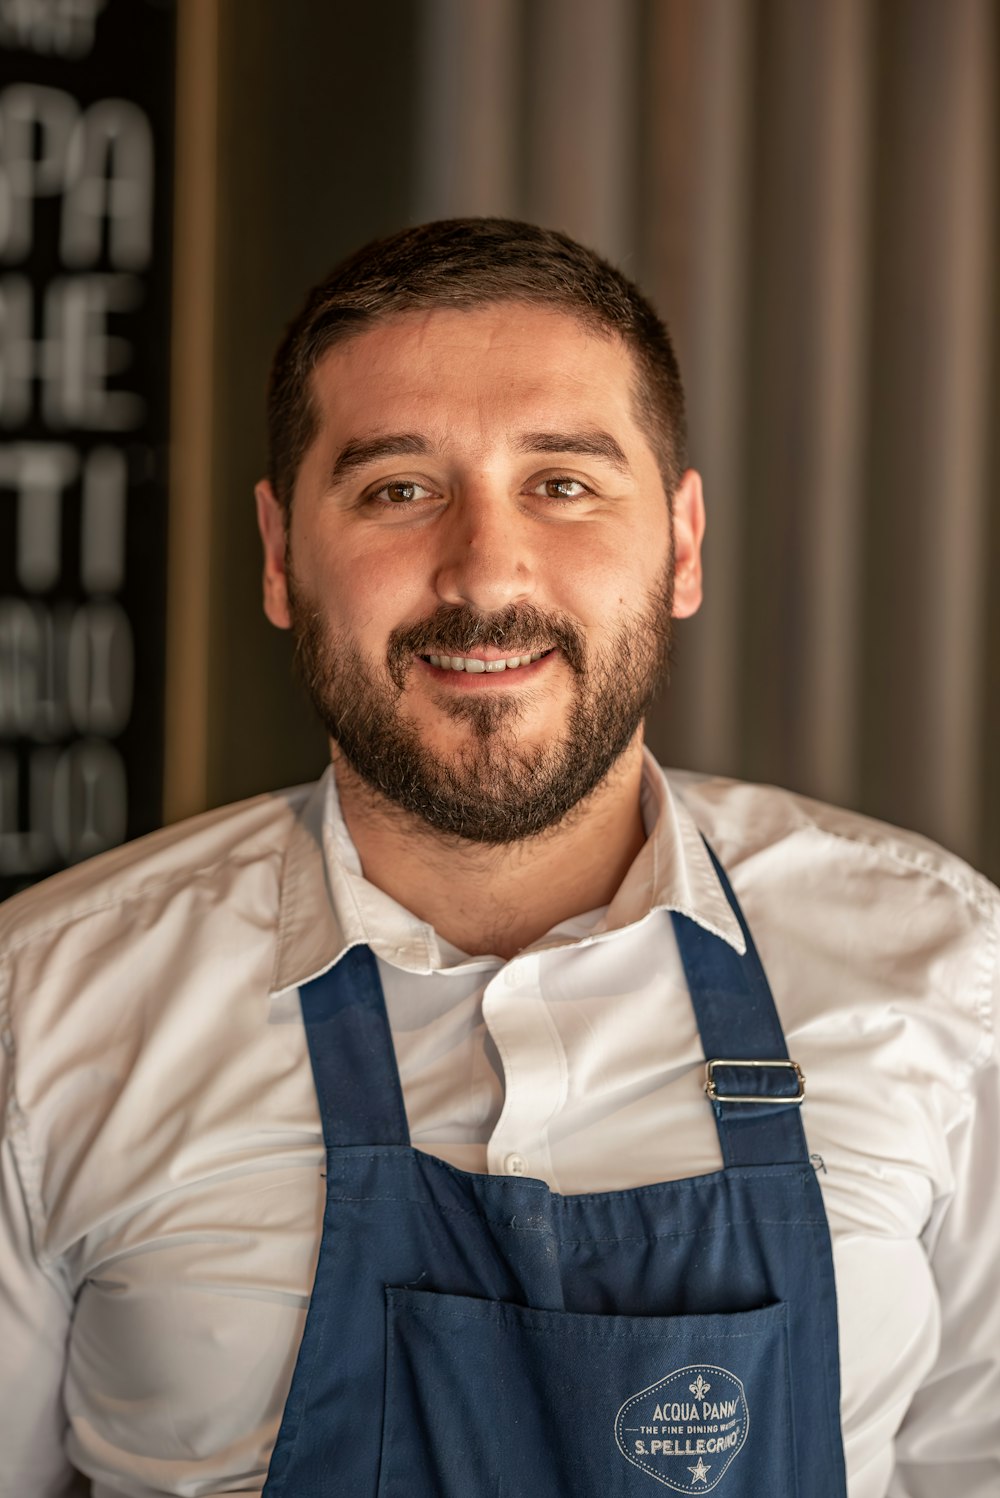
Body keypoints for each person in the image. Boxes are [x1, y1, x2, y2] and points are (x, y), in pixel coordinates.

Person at [0, 219, 997, 1498]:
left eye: (564, 482)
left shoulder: (942, 965)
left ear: (682, 543)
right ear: (278, 556)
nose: (486, 572)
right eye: (397, 489)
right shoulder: (45, 1009)